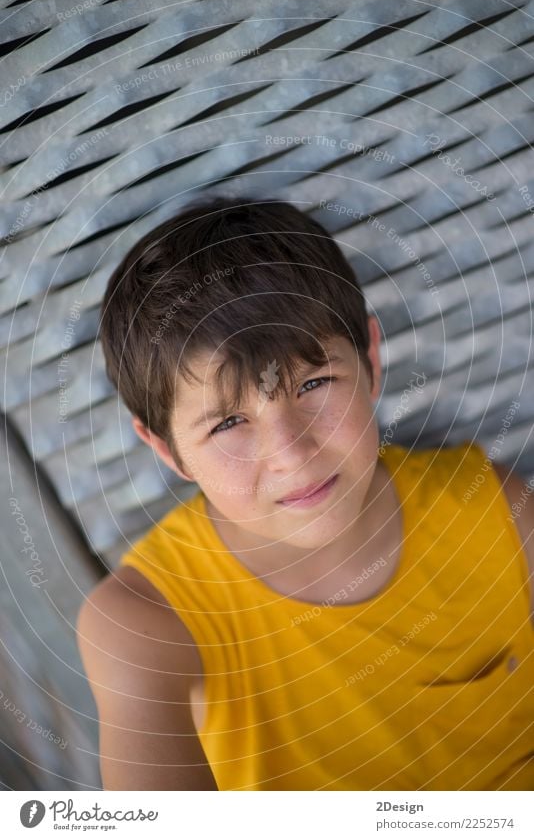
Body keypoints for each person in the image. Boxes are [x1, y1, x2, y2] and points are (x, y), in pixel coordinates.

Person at [76, 195, 534, 791]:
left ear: (370, 358)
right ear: (167, 449)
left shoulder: (495, 510)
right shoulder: (146, 626)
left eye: (314, 383)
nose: (294, 454)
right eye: (227, 423)